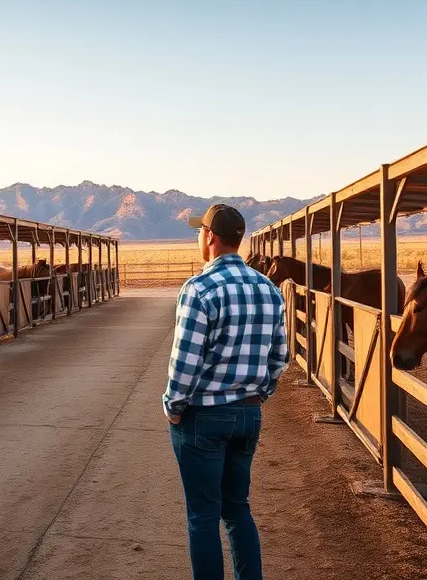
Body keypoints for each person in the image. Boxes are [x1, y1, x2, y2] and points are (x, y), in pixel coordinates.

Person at [164, 204, 288, 580]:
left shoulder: (199, 289)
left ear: (210, 238)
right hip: (248, 415)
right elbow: (280, 357)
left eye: (200, 232)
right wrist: (258, 395)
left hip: (203, 417)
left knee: (202, 515)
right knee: (237, 509)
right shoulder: (268, 289)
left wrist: (173, 406)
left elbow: (185, 362)